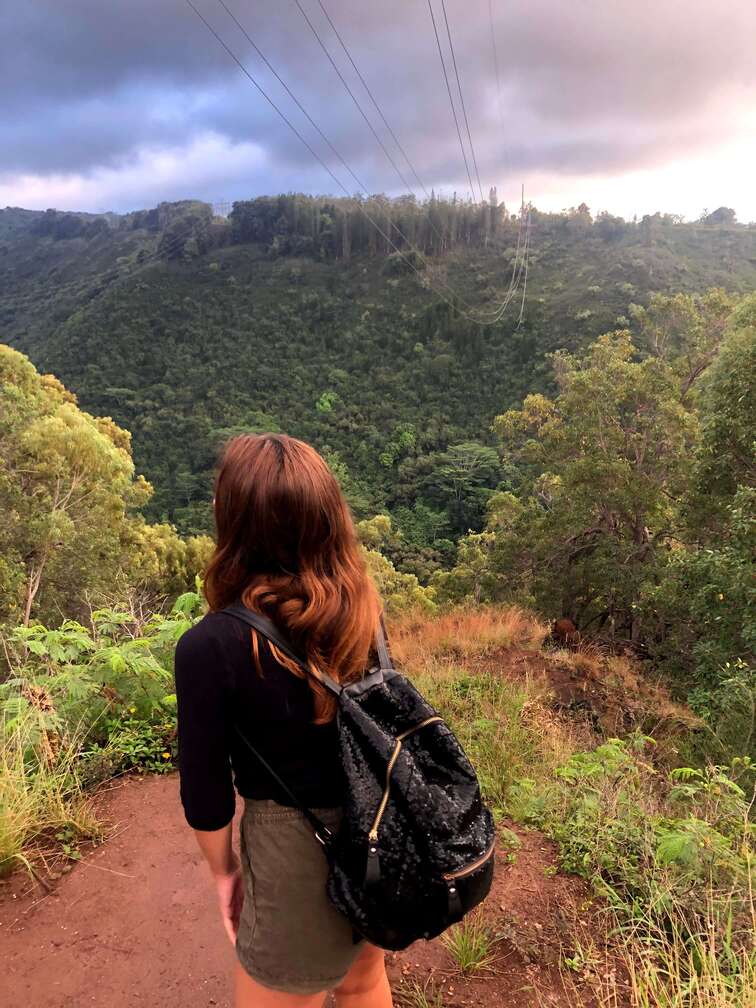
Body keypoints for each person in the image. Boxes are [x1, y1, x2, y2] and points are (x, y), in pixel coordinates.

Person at [174, 433, 394, 1008]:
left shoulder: (210, 646)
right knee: (363, 980)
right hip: (378, 827)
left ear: (235, 525)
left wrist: (224, 874)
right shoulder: (362, 613)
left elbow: (206, 791)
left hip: (294, 849)